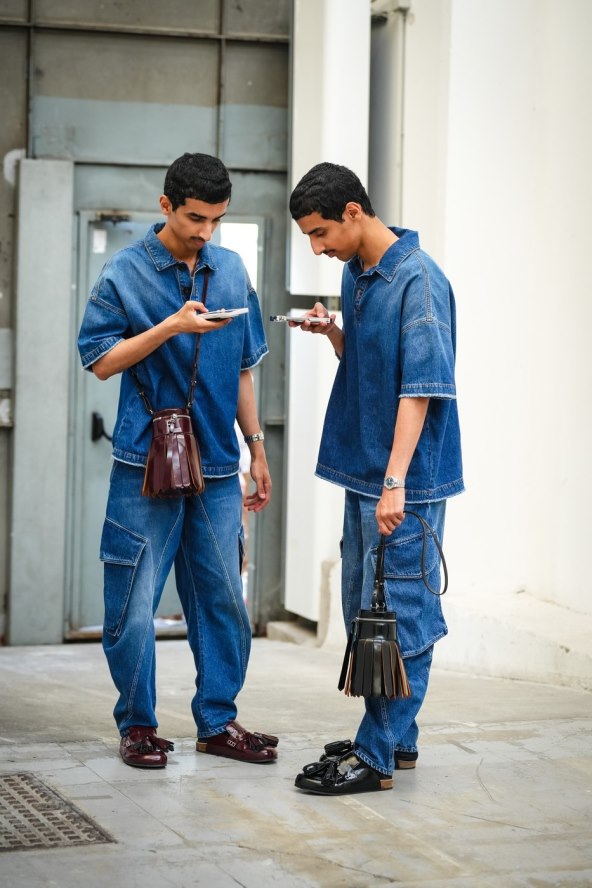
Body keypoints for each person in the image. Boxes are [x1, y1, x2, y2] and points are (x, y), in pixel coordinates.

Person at [77, 152, 278, 769]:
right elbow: (100, 360)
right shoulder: (124, 273)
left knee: (223, 602)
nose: (205, 233)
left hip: (218, 467)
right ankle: (137, 725)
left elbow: (244, 367)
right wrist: (169, 328)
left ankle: (218, 722)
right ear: (166, 205)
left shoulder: (232, 268)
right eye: (195, 218)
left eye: (217, 220)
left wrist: (257, 448)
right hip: (145, 465)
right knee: (133, 604)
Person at [288, 162, 464, 795]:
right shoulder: (356, 274)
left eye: (320, 232)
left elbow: (420, 391)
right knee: (370, 607)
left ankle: (377, 751)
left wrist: (396, 482)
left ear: (355, 213)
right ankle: (397, 734)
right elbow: (369, 364)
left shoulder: (419, 281)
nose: (317, 247)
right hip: (365, 470)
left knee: (402, 610)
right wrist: (334, 331)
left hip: (403, 481)